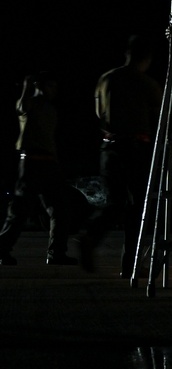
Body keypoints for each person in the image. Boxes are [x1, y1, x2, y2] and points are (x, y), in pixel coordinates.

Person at [79, 35, 162, 275]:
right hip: (135, 146)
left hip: (109, 146)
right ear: (146, 58)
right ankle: (131, 263)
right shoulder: (146, 83)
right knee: (137, 206)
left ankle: (91, 236)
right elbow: (159, 116)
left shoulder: (106, 79)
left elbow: (98, 113)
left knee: (114, 202)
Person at [0, 72, 75, 266]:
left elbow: (49, 140)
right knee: (19, 211)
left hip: (48, 162)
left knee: (60, 209)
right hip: (32, 162)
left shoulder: (51, 109)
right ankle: (1, 249)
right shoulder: (29, 104)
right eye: (50, 86)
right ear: (40, 86)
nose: (53, 91)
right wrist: (27, 86)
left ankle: (56, 253)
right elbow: (21, 107)